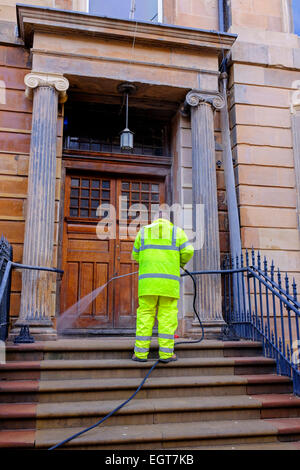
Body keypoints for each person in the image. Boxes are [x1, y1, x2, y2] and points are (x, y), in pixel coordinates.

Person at [131, 215, 194, 363]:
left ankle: (140, 354)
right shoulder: (176, 232)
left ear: (154, 221)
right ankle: (166, 354)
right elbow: (188, 251)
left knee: (145, 316)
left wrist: (148, 262)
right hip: (169, 284)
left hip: (147, 284)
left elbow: (135, 255)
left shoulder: (143, 232)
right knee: (167, 317)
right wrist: (179, 263)